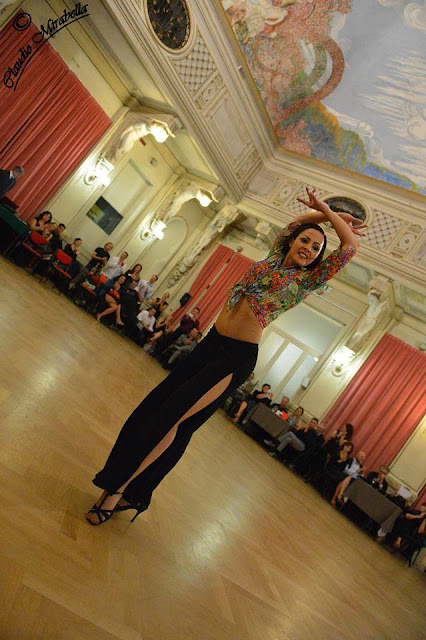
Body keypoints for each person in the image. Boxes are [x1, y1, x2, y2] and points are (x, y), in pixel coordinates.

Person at [86, 188, 363, 525]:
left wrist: (331, 216)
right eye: (305, 241)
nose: (308, 248)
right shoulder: (274, 256)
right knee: (156, 411)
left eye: (316, 247)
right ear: (292, 242)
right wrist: (323, 214)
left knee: (173, 420)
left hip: (234, 359)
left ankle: (118, 492)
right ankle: (133, 491)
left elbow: (349, 247)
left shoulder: (307, 279)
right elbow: (295, 224)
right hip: (210, 345)